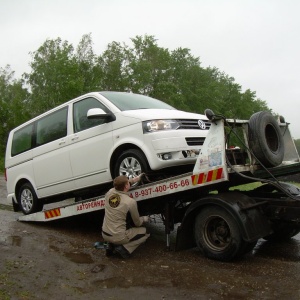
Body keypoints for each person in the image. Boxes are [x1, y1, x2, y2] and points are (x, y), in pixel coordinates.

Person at [101, 174, 150, 258]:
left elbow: (121, 185)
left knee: (112, 233)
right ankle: (123, 249)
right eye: (128, 183)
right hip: (118, 237)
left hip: (104, 234)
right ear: (126, 186)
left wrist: (134, 180)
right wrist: (145, 218)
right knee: (146, 232)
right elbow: (137, 223)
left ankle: (108, 246)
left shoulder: (109, 192)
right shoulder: (130, 202)